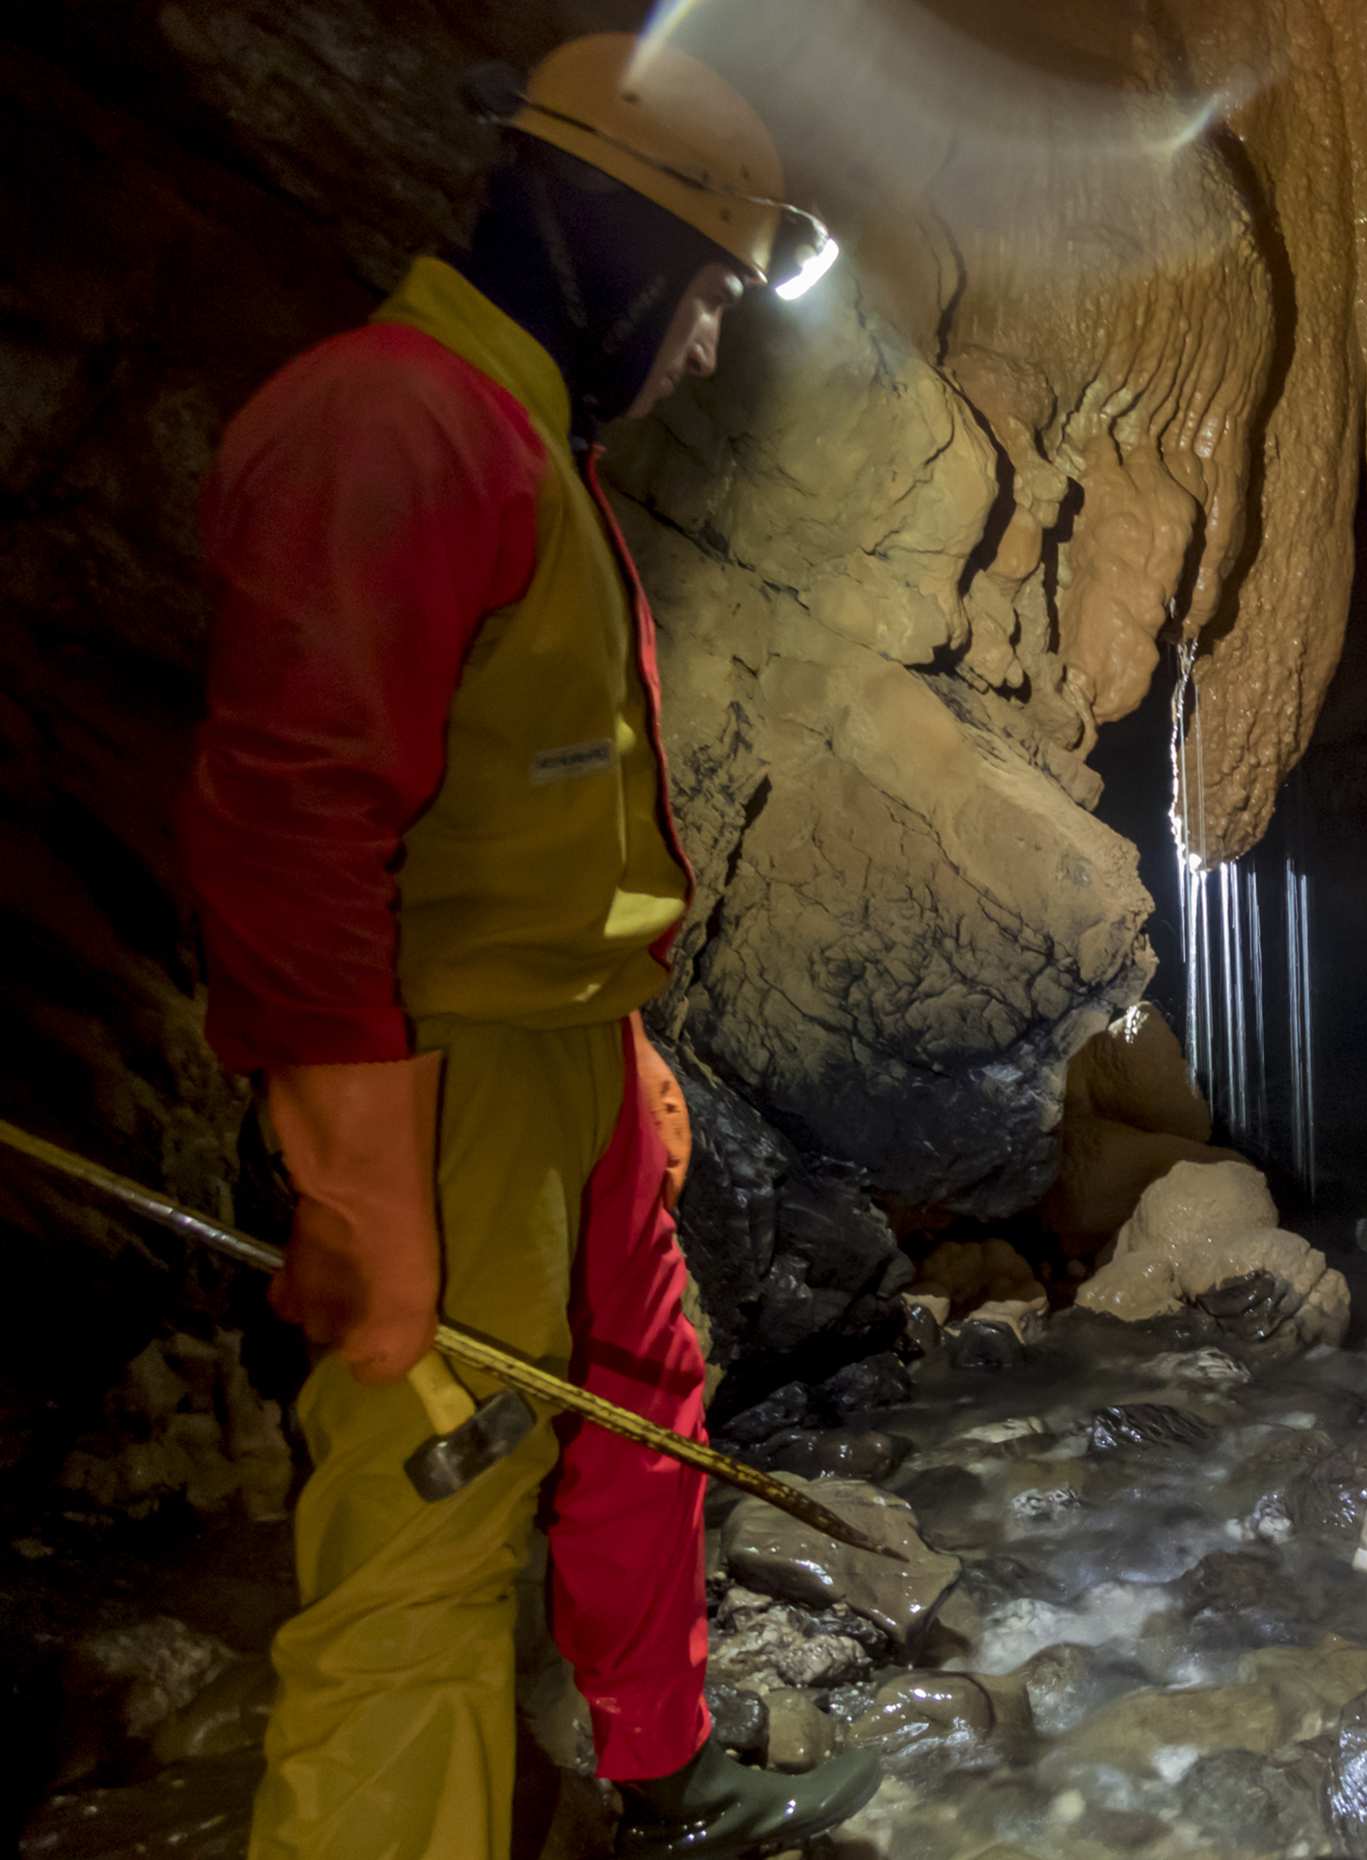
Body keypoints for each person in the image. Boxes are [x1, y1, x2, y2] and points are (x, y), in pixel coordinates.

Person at [178, 33, 877, 1859]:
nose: (710, 343)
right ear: (617, 248)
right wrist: (362, 1191)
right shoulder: (384, 421)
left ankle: (655, 1758)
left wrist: (623, 1048)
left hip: (564, 1052)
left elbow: (538, 814)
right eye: (710, 294)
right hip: (432, 1068)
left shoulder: (516, 444)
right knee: (430, 1520)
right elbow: (298, 830)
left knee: (644, 1394)